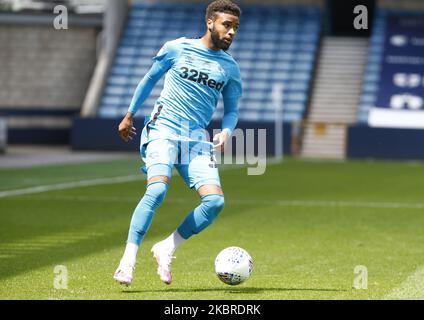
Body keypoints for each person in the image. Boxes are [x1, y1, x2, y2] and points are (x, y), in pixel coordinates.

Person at [113, 0, 242, 286]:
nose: (232, 32)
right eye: (226, 25)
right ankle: (127, 261)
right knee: (157, 189)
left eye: (235, 27)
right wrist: (130, 114)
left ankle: (167, 247)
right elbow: (150, 79)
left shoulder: (230, 68)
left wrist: (226, 131)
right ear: (210, 22)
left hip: (195, 138)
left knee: (215, 202)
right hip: (163, 130)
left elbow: (232, 109)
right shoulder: (177, 48)